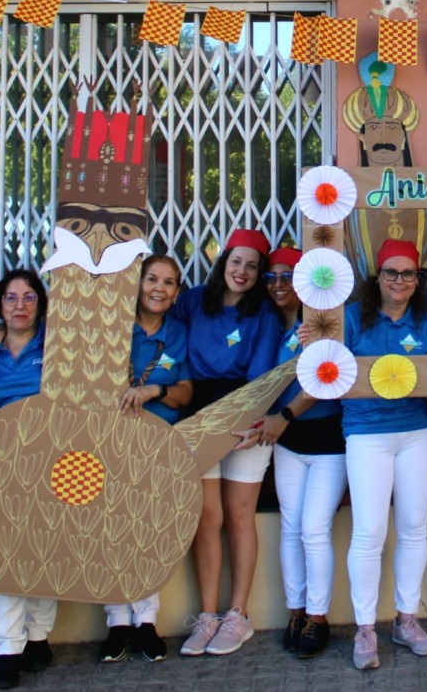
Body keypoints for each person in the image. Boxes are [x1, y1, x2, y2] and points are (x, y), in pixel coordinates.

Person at [170, 229, 280, 657]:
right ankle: (207, 615)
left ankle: (238, 615)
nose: (243, 272)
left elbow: (259, 377)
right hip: (197, 417)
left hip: (245, 419)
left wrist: (245, 421)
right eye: (236, 262)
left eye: (253, 266)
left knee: (238, 515)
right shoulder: (193, 300)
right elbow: (166, 336)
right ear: (223, 262)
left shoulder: (263, 313)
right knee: (207, 516)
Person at [342, 239, 427, 671]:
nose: (399, 281)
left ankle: (406, 619)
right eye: (391, 272)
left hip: (418, 432)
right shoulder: (351, 318)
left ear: (418, 279)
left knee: (414, 527)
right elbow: (326, 368)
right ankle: (365, 628)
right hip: (367, 432)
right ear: (378, 277)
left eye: (408, 274)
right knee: (369, 532)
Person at [239, 246, 346, 659]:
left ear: (304, 281)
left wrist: (283, 415)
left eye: (288, 276)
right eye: (272, 277)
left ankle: (318, 617)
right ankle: (296, 612)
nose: (279, 284)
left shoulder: (319, 321)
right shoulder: (269, 323)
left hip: (326, 439)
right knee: (291, 526)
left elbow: (324, 379)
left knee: (314, 529)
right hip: (286, 441)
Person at [97, 254, 194, 665]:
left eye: (169, 282)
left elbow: (186, 392)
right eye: (152, 279)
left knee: (148, 529)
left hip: (157, 444)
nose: (159, 288)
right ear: (137, 284)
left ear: (176, 292)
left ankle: (146, 620)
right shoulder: (111, 326)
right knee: (109, 528)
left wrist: (155, 390)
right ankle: (117, 621)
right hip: (109, 441)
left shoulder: (178, 333)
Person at [0, 269, 49, 690]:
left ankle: (38, 636)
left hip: (51, 457)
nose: (20, 305)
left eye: (29, 297)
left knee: (46, 545)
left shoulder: (56, 345)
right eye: (10, 298)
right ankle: (7, 646)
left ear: (41, 303)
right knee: (7, 549)